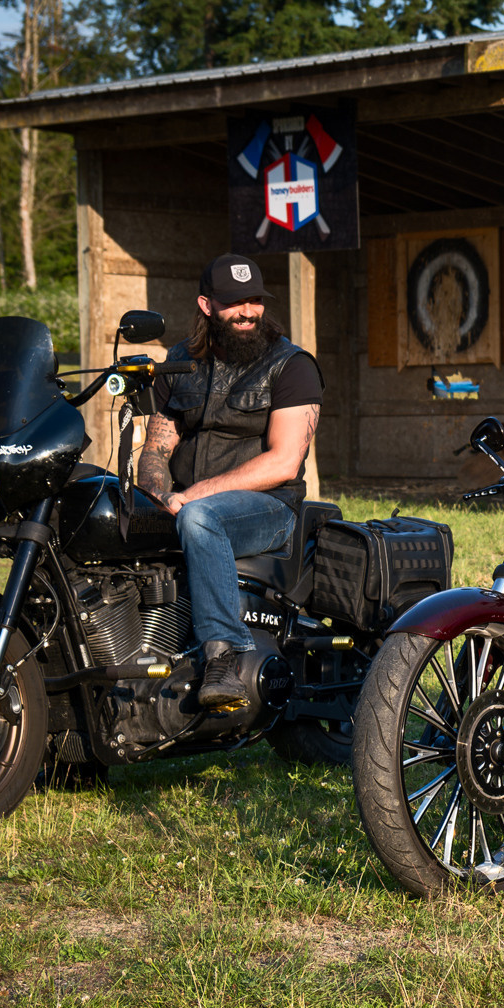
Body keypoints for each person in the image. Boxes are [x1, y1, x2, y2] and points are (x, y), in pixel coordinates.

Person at [134, 253, 324, 715]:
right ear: (206, 305)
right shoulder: (180, 361)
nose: (247, 311)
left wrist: (191, 497)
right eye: (235, 302)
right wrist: (157, 493)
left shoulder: (290, 364)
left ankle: (224, 656)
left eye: (255, 300)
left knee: (200, 518)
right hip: (184, 503)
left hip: (267, 507)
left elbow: (283, 462)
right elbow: (156, 449)